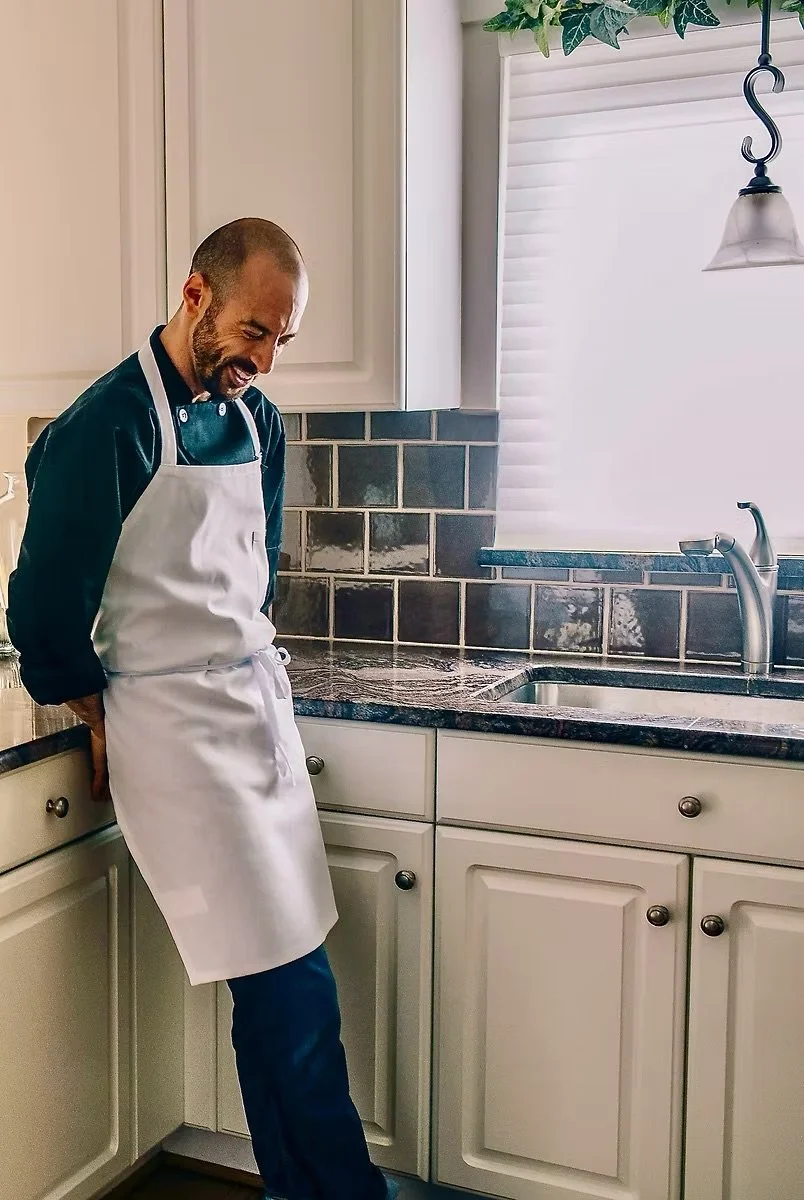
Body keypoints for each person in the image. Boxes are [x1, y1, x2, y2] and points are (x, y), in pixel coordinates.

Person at [8, 217, 398, 1200]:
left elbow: (253, 566)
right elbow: (43, 614)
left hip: (254, 720)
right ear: (195, 297)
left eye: (281, 340)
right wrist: (100, 719)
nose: (262, 360)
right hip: (176, 732)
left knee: (282, 1005)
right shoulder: (106, 424)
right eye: (253, 332)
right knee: (294, 1000)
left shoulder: (256, 420)